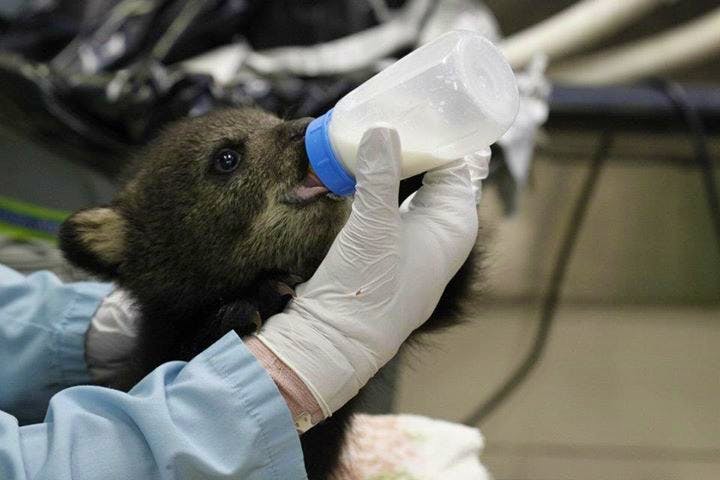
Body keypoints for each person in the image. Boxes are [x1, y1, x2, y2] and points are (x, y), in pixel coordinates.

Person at [0, 127, 479, 479]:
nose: (298, 135)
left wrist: (433, 217)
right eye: (228, 161)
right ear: (153, 244)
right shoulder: (167, 363)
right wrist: (279, 372)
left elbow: (437, 302)